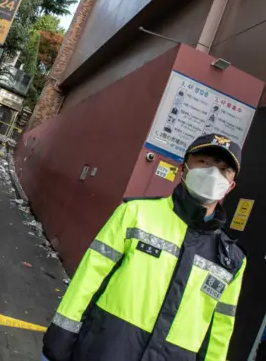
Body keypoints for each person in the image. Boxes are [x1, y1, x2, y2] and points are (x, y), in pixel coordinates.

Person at [42, 134, 247, 361]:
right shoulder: (135, 214)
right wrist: (59, 342)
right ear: (183, 168)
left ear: (230, 186)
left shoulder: (231, 260)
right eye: (204, 163)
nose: (212, 174)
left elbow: (218, 332)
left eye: (223, 169)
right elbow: (89, 279)